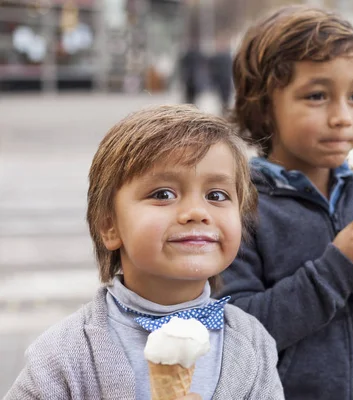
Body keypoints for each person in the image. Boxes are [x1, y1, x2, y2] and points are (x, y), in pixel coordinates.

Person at [216, 6, 353, 400]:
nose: (343, 117)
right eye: (317, 96)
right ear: (265, 106)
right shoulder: (245, 206)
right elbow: (238, 332)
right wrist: (339, 271)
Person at [5, 105, 284, 399]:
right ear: (109, 225)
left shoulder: (251, 343)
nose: (196, 212)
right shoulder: (65, 353)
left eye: (217, 195)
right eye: (163, 194)